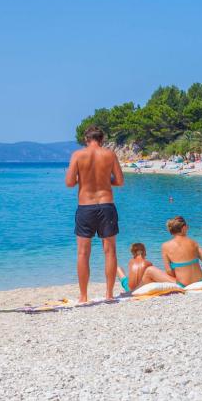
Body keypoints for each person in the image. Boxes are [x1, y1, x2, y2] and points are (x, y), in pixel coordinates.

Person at [66, 125, 124, 302]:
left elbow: (69, 183)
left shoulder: (78, 155)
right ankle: (109, 294)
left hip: (86, 206)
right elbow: (119, 181)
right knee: (110, 251)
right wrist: (105, 180)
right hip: (106, 205)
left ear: (86, 139)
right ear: (102, 139)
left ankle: (84, 296)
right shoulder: (110, 154)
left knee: (83, 253)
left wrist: (84, 179)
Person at [161, 216, 202, 286]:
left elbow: (168, 271)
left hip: (182, 284)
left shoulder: (165, 246)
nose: (188, 228)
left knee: (149, 271)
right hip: (199, 281)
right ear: (184, 228)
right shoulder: (193, 242)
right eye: (187, 226)